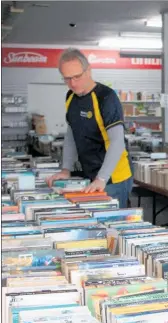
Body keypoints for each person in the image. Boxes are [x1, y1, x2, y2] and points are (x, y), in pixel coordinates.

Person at [46, 48, 133, 208]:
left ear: (89, 71)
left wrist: (102, 178)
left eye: (77, 77)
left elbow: (117, 142)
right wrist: (66, 169)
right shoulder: (70, 97)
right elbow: (72, 135)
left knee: (113, 226)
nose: (72, 83)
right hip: (89, 175)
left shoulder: (106, 97)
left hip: (113, 177)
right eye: (67, 79)